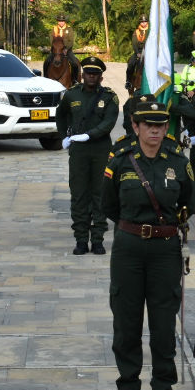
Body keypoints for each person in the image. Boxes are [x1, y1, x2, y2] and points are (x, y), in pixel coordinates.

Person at [102, 96, 193, 390]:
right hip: (128, 249)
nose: (155, 131)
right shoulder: (121, 160)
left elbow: (188, 202)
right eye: (148, 125)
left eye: (160, 125)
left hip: (164, 251)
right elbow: (108, 205)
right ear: (136, 127)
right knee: (126, 326)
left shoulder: (179, 162)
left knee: (163, 328)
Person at [56, 56, 120, 255]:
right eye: (88, 73)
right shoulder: (72, 95)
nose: (92, 77)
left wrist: (88, 135)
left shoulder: (109, 97)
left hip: (100, 150)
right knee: (79, 195)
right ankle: (81, 239)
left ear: (101, 77)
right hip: (79, 152)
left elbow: (108, 123)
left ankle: (98, 239)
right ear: (82, 75)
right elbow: (61, 114)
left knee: (99, 194)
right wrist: (64, 136)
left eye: (96, 74)